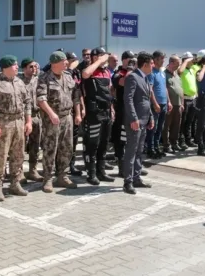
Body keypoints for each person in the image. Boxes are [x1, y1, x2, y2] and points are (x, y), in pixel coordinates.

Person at [0, 56, 33, 201]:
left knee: (18, 155)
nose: (17, 67)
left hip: (19, 122)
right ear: (5, 67)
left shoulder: (19, 82)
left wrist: (28, 121)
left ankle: (14, 184)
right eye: (14, 65)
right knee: (1, 156)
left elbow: (27, 102)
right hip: (3, 124)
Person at [36, 51, 82, 193]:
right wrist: (51, 114)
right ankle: (48, 178)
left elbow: (76, 96)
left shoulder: (68, 77)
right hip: (52, 119)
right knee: (50, 148)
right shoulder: (44, 78)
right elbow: (40, 99)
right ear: (55, 63)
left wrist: (78, 114)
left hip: (67, 117)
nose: (67, 63)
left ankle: (62, 175)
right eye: (64, 61)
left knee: (67, 148)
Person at [80, 47, 115, 185]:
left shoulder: (106, 71)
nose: (104, 58)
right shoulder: (90, 69)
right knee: (92, 144)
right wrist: (99, 60)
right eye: (100, 55)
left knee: (104, 143)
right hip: (94, 113)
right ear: (94, 57)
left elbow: (109, 92)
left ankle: (101, 172)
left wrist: (112, 108)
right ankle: (91, 174)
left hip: (106, 111)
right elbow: (85, 74)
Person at [123, 51, 154, 195]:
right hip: (134, 122)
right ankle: (127, 182)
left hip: (144, 120)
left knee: (139, 151)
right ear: (146, 64)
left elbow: (146, 100)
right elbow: (128, 99)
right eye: (152, 63)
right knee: (131, 151)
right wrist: (133, 118)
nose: (153, 66)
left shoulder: (145, 78)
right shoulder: (132, 77)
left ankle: (136, 178)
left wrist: (151, 117)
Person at [111, 51, 135, 174]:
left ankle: (132, 166)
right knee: (121, 140)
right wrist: (130, 69)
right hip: (121, 111)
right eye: (129, 59)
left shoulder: (135, 72)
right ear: (124, 60)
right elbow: (123, 82)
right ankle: (122, 167)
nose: (132, 61)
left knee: (132, 139)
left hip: (132, 111)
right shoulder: (118, 73)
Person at [19, 58, 43, 182]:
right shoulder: (19, 81)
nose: (34, 69)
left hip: (36, 116)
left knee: (35, 145)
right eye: (30, 67)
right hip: (23, 117)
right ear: (24, 69)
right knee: (21, 145)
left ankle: (33, 170)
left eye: (35, 66)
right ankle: (20, 172)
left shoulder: (38, 81)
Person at [163, 55, 184, 154]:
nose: (179, 66)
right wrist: (168, 102)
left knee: (176, 126)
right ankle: (166, 145)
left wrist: (182, 103)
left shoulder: (177, 75)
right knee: (167, 125)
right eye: (177, 64)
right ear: (171, 63)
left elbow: (181, 90)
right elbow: (165, 89)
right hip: (170, 105)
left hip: (178, 104)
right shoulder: (164, 74)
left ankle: (174, 143)